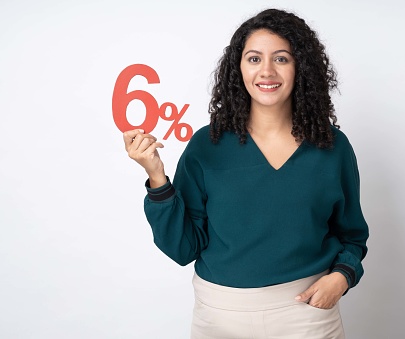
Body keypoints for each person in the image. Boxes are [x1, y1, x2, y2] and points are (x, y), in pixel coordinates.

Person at [123, 8, 369, 339]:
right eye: (254, 59)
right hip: (220, 317)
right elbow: (183, 248)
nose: (266, 71)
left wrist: (342, 276)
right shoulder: (206, 145)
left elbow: (352, 235)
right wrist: (156, 177)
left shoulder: (331, 147)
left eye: (281, 59)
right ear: (238, 68)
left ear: (301, 68)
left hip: (306, 315)